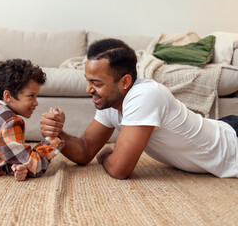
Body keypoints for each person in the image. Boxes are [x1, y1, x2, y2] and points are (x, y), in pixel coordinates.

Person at [40, 38, 238, 179]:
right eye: (88, 81)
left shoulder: (145, 95)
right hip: (221, 126)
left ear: (125, 81)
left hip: (232, 144)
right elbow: (84, 151)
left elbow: (120, 169)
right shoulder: (109, 101)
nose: (88, 89)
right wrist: (58, 134)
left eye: (96, 83)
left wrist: (107, 157)